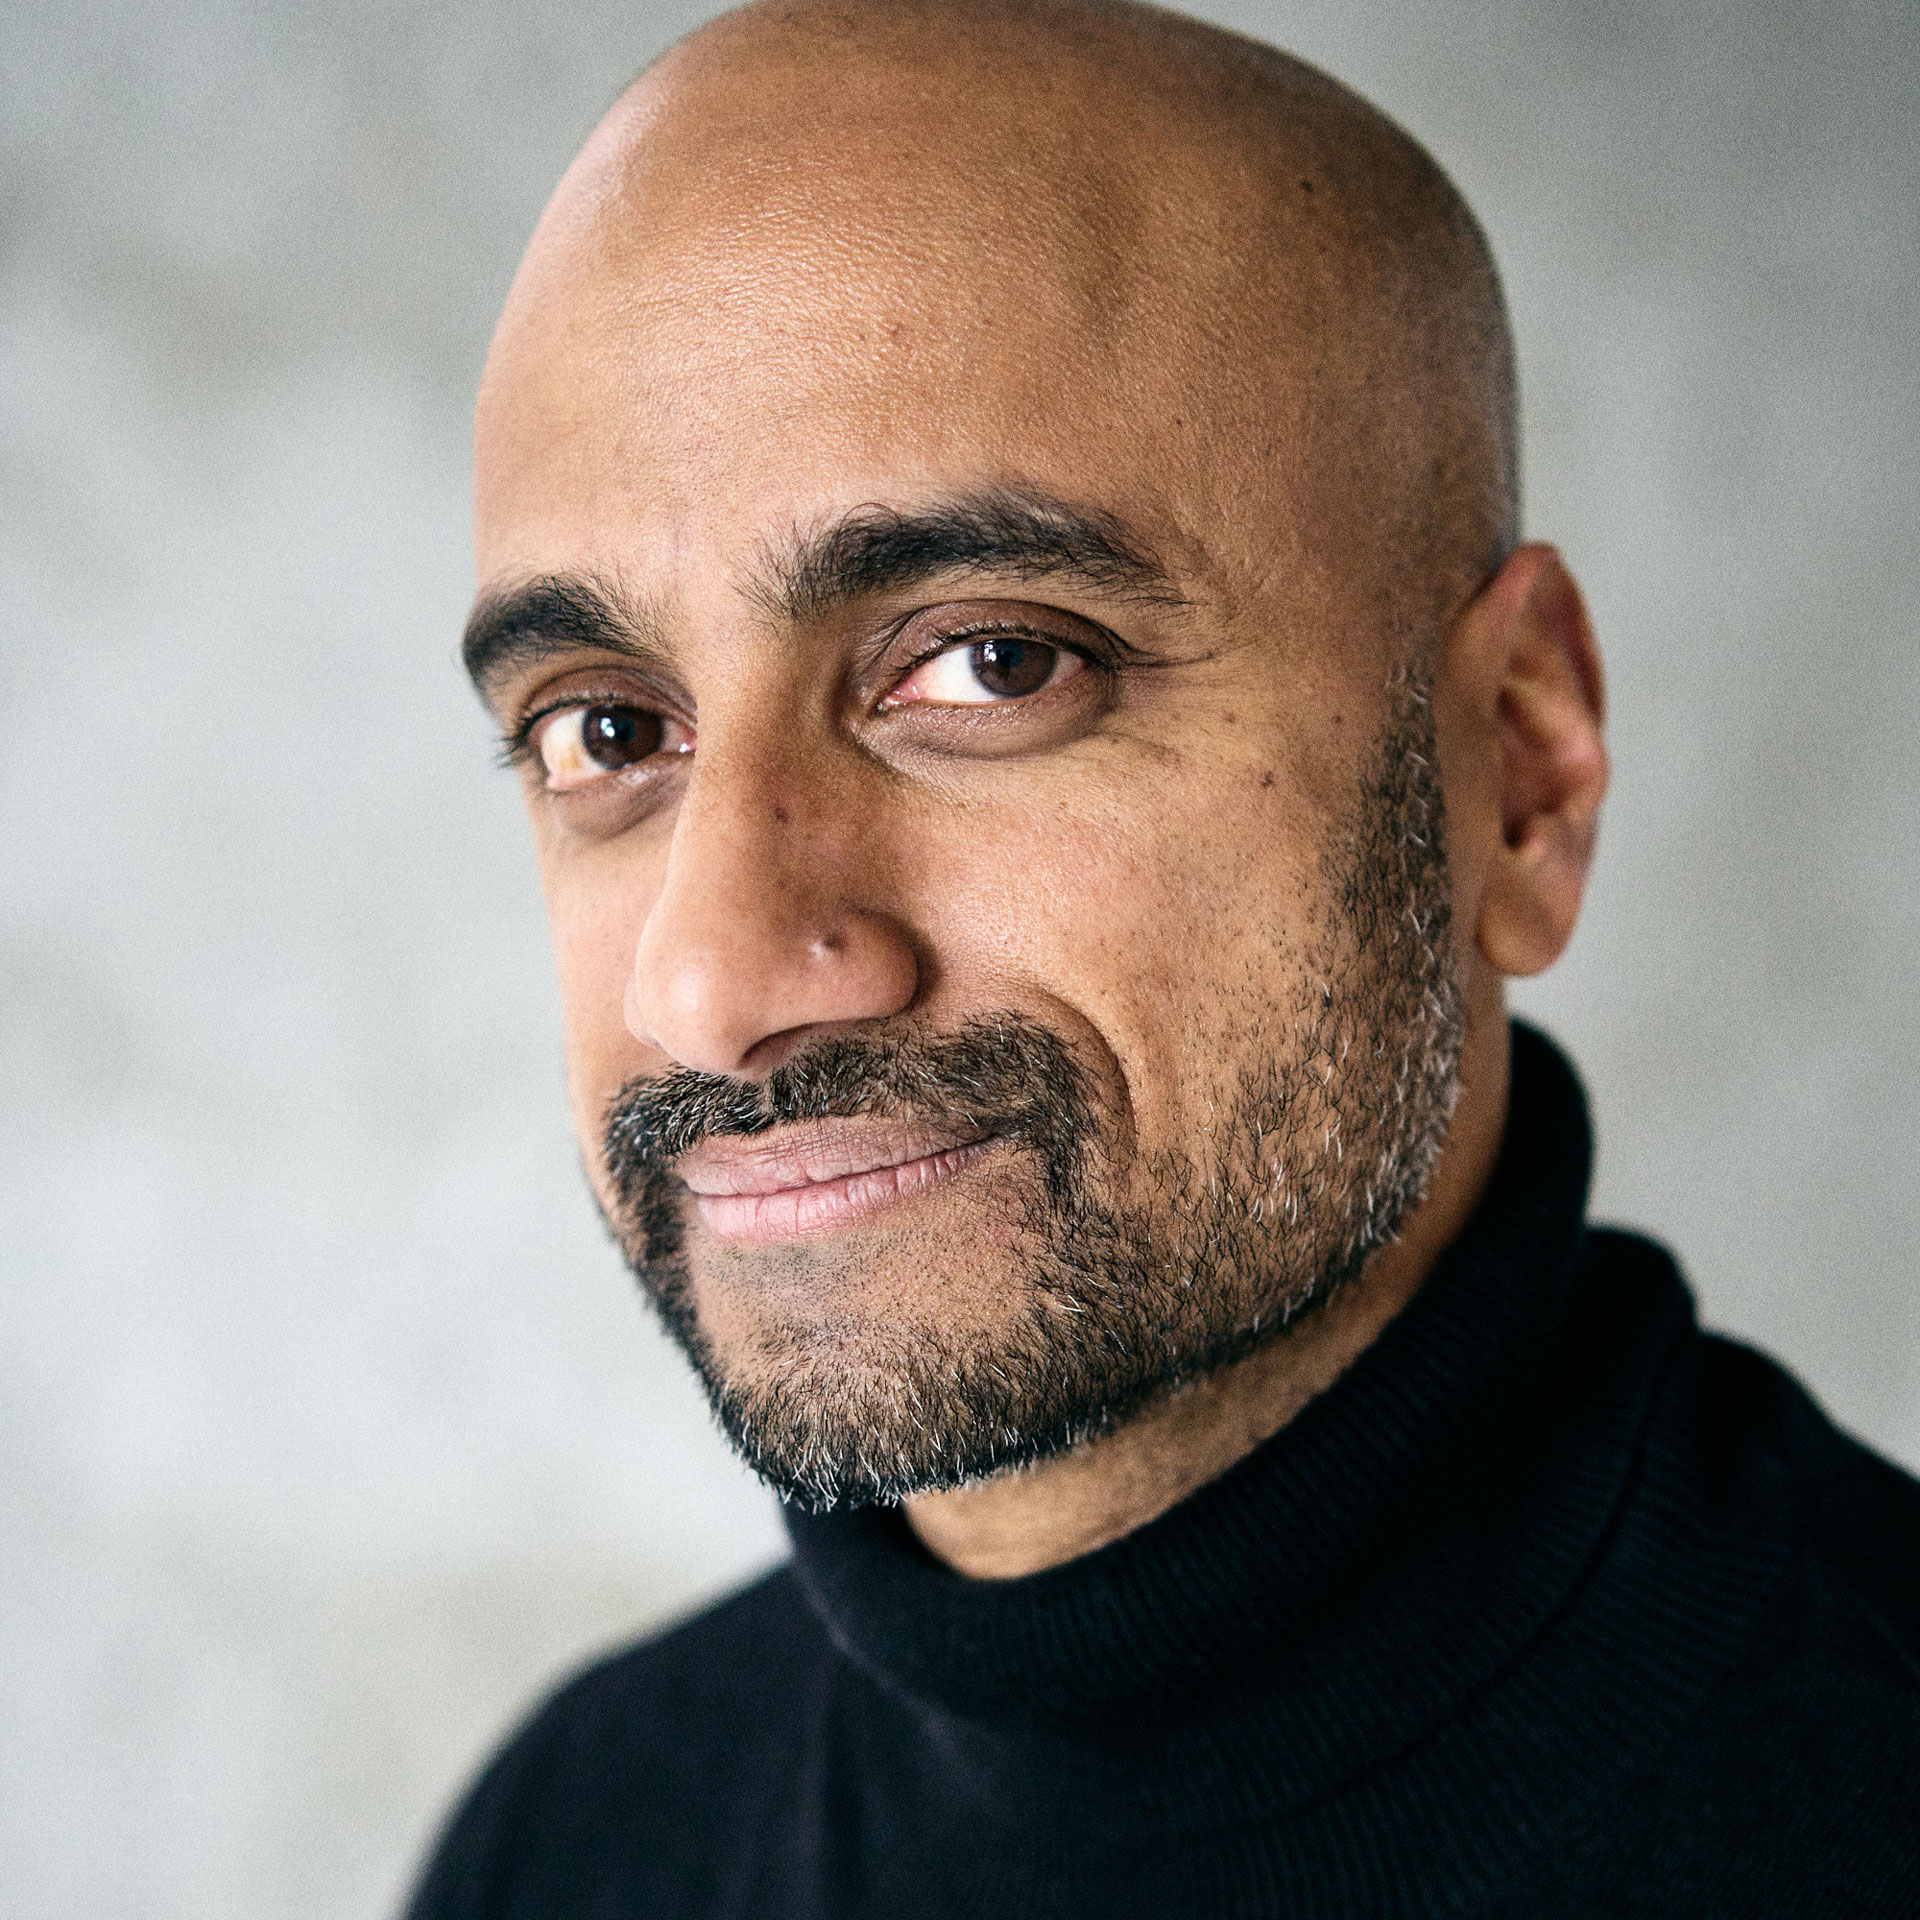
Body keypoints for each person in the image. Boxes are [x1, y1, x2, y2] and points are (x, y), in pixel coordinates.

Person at [406, 2, 1920, 1913]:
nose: (712, 982)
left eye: (994, 663)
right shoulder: (578, 1843)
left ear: (1520, 776)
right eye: (608, 731)